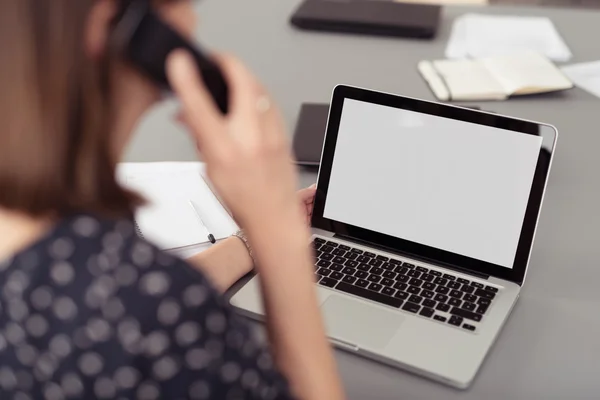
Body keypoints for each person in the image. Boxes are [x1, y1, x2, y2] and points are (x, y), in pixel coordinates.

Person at [0, 0, 344, 399]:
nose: (193, 20)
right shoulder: (143, 306)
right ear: (111, 23)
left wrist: (247, 242)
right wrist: (276, 232)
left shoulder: (93, 280)